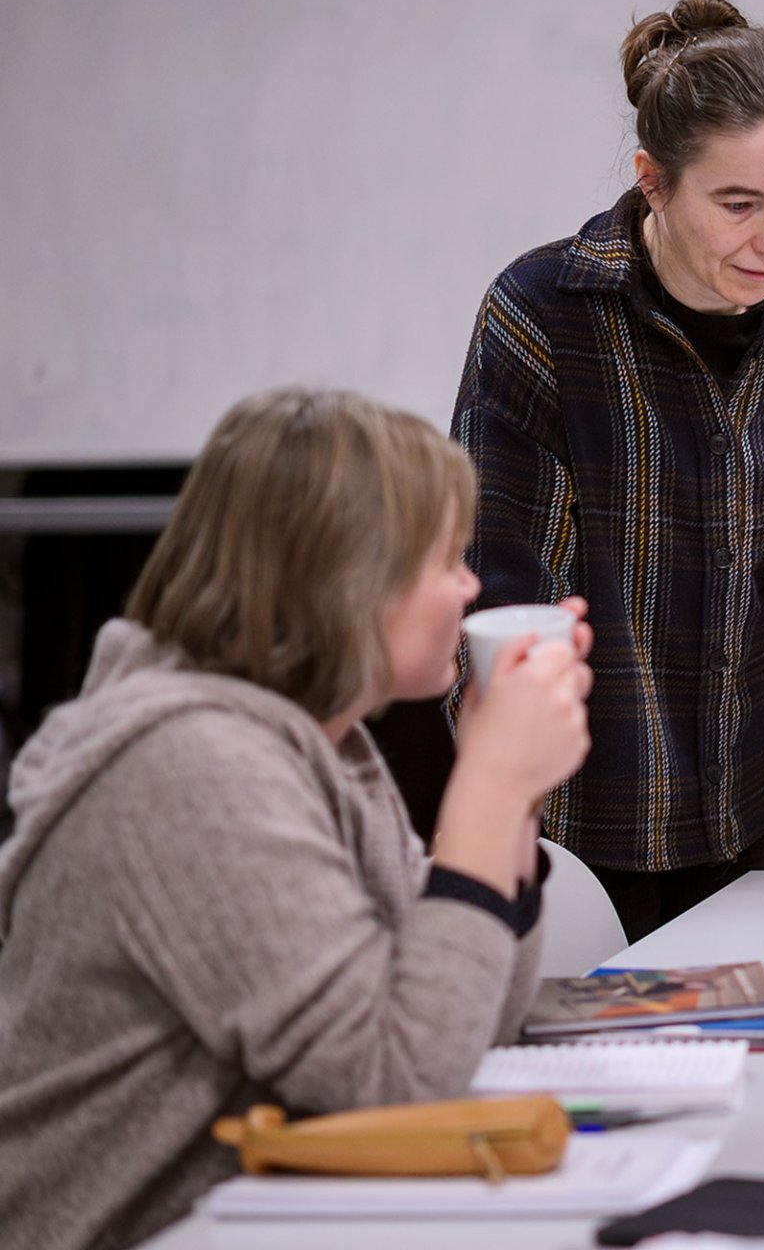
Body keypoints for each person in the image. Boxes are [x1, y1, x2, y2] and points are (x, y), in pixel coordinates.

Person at [0, 389, 592, 1250]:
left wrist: (512, 794)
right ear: (350, 579)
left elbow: (467, 1022)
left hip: (263, 1215)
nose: (471, 589)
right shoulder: (194, 767)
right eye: (445, 561)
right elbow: (396, 1079)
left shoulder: (327, 741)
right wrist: (489, 790)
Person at [452, 0, 764, 942]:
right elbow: (496, 587)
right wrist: (502, 783)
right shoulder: (542, 318)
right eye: (738, 205)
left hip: (755, 793)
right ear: (653, 182)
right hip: (581, 812)